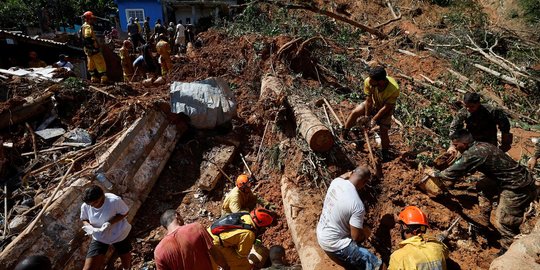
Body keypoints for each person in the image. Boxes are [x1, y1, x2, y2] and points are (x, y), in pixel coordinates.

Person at [427, 129, 537, 253]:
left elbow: (454, 171)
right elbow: (467, 167)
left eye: (457, 145)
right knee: (483, 185)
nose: (456, 148)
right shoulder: (481, 145)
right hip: (514, 179)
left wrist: (436, 173)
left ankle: (508, 250)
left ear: (465, 143)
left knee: (503, 220)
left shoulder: (475, 153)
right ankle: (484, 216)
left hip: (517, 186)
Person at [316, 166, 382, 269]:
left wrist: (351, 173)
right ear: (364, 182)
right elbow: (356, 237)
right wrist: (365, 234)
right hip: (335, 246)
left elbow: (343, 176)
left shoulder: (336, 181)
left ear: (351, 174)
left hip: (321, 234)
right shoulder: (357, 205)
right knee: (378, 265)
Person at [344, 66, 400, 161]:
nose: (369, 81)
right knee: (355, 112)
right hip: (373, 103)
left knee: (383, 131)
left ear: (381, 81)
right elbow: (368, 100)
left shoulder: (394, 89)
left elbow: (387, 107)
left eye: (372, 80)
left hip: (385, 109)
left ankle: (385, 153)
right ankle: (344, 133)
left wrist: (374, 119)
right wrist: (367, 116)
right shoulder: (368, 81)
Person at [154, 209, 229, 270]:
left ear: (165, 227)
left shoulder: (158, 251)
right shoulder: (195, 228)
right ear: (177, 215)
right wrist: (226, 267)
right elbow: (215, 253)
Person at [80, 185, 132, 270]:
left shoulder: (114, 201)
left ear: (102, 196)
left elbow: (124, 212)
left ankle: (127, 268)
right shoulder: (86, 205)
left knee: (124, 253)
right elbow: (84, 218)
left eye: (95, 202)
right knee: (89, 267)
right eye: (90, 204)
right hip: (99, 236)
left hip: (118, 232)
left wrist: (110, 223)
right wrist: (88, 226)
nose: (93, 206)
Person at [208, 208, 275, 270]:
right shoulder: (248, 234)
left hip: (208, 233)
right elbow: (241, 255)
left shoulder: (244, 214)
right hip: (216, 244)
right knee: (243, 265)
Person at [81, 11, 108, 83]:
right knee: (100, 62)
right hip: (93, 49)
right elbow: (87, 37)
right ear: (88, 19)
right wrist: (94, 45)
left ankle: (93, 78)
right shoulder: (88, 26)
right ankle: (103, 78)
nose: (93, 20)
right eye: (91, 19)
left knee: (91, 63)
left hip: (87, 49)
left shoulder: (83, 26)